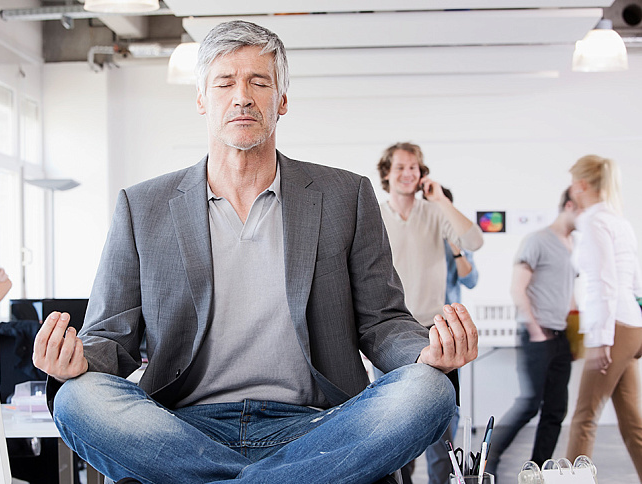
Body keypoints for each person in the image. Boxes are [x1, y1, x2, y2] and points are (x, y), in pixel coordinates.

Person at [32, 20, 479, 484]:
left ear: (281, 101)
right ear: (202, 99)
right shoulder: (142, 206)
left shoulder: (347, 195)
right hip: (179, 427)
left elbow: (383, 321)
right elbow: (110, 335)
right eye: (225, 82)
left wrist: (425, 353)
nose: (241, 95)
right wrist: (78, 358)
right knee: (75, 399)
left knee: (429, 389)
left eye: (258, 82)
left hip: (318, 426)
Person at [376, 144, 484, 484]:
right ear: (386, 174)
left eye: (415, 168)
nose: (409, 173)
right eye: (401, 167)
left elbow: (475, 240)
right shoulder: (374, 214)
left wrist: (440, 199)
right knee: (391, 430)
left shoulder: (435, 213)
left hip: (436, 332)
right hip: (387, 333)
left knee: (442, 429)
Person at [485, 188, 579, 479]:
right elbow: (518, 287)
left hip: (562, 335)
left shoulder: (572, 244)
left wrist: (575, 335)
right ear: (570, 205)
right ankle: (489, 457)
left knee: (556, 410)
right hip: (538, 335)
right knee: (530, 403)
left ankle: (539, 470)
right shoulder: (538, 240)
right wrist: (536, 330)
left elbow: (569, 294)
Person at [566, 155, 642, 479]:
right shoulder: (619, 220)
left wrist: (598, 340)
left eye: (572, 181)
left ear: (582, 184)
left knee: (584, 417)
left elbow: (602, 283)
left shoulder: (594, 221)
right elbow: (636, 281)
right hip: (631, 324)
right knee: (632, 421)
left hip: (613, 329)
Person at [443, 188, 479, 306]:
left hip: (448, 314)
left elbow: (470, 281)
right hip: (415, 315)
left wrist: (456, 250)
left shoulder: (459, 237)